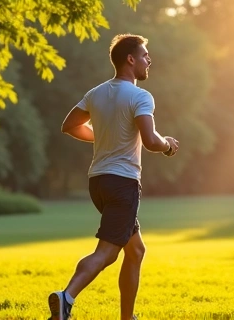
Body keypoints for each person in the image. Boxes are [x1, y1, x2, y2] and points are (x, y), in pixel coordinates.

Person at [48, 34, 180, 320]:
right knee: (108, 252)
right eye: (145, 55)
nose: (149, 61)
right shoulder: (141, 96)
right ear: (130, 59)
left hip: (98, 182)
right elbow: (150, 140)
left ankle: (127, 317)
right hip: (122, 183)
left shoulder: (96, 92)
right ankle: (66, 297)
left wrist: (102, 137)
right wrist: (168, 145)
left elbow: (69, 125)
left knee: (135, 250)